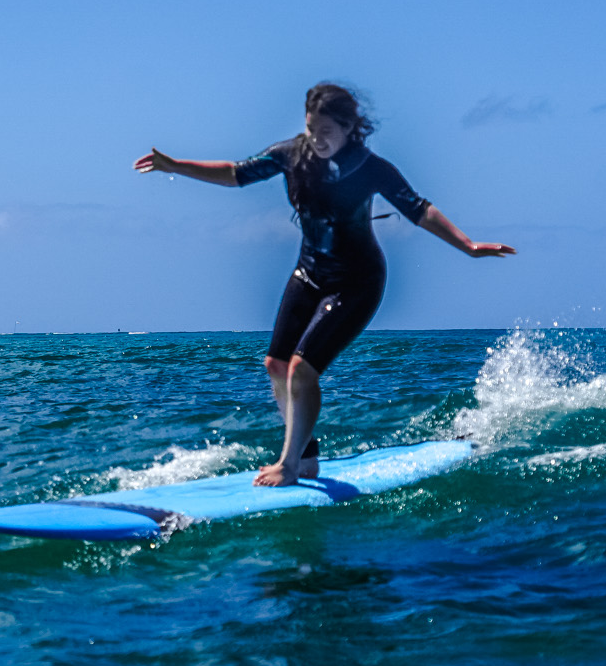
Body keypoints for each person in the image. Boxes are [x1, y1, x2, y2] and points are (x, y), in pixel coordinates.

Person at [135, 82, 514, 486]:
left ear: (349, 128)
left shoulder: (371, 168)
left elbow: (419, 209)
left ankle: (290, 464)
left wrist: (468, 246)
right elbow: (235, 173)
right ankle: (307, 457)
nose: (317, 140)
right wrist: (174, 165)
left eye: (327, 132)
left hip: (358, 281)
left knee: (302, 369)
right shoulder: (291, 154)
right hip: (309, 273)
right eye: (311, 129)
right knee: (276, 364)